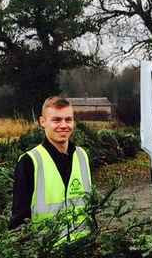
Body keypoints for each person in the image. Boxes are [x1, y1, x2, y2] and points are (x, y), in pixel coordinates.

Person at [10, 96, 92, 240]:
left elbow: (90, 206)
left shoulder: (82, 156)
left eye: (68, 119)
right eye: (56, 120)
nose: (63, 125)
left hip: (83, 251)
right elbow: (19, 220)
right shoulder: (29, 161)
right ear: (43, 122)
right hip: (46, 256)